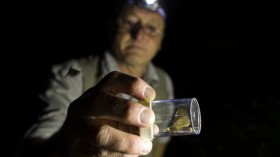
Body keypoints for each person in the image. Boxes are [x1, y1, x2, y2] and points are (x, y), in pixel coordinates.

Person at [16, 0, 174, 156]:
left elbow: (160, 144)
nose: (139, 35)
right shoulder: (73, 74)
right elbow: (33, 149)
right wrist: (68, 145)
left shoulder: (164, 81)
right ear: (112, 28)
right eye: (130, 22)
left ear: (161, 41)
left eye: (152, 28)